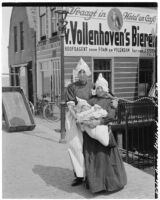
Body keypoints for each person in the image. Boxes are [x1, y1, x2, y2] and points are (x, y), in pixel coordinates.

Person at [82, 73, 127, 194]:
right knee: (92, 158)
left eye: (101, 87)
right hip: (90, 135)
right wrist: (86, 120)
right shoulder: (90, 100)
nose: (99, 90)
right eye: (97, 87)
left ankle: (108, 184)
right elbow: (83, 112)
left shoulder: (110, 101)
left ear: (105, 88)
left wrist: (98, 121)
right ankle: (95, 184)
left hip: (103, 134)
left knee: (104, 159)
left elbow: (111, 116)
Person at [65, 58, 93, 186]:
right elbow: (70, 105)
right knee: (75, 146)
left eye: (83, 72)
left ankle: (89, 175)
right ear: (77, 73)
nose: (82, 74)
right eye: (79, 72)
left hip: (88, 119)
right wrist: (76, 117)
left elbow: (102, 97)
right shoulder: (71, 87)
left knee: (89, 147)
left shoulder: (92, 86)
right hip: (75, 119)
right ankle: (79, 175)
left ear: (87, 72)